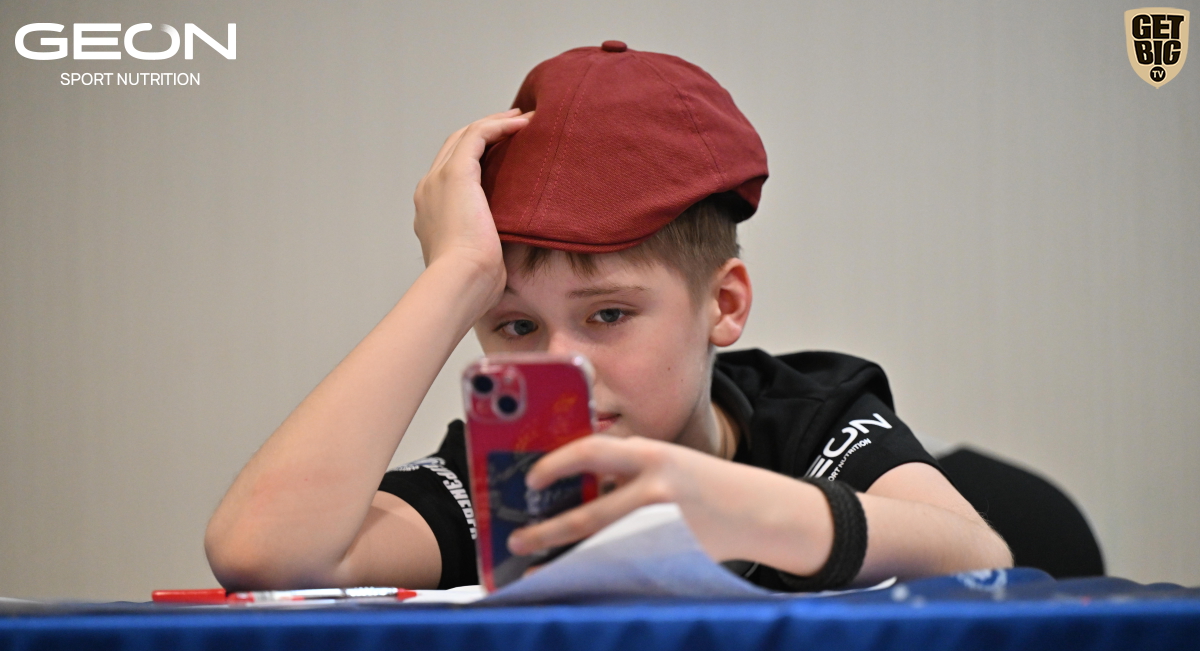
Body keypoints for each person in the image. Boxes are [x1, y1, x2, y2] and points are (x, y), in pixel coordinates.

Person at [204, 42, 1012, 592]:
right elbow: (261, 553)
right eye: (515, 325)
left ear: (724, 304)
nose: (562, 365)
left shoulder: (810, 414)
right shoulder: (509, 478)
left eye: (609, 314)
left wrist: (742, 508)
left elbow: (982, 556)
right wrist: (456, 277)